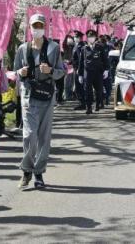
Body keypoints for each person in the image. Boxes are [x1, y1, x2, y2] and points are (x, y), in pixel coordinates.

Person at [13, 14, 65, 189]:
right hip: (29, 95)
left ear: (44, 28)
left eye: (40, 26)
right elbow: (15, 72)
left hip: (47, 96)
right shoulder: (22, 48)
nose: (37, 29)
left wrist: (50, 70)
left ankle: (39, 173)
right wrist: (21, 72)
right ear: (29, 27)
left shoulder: (53, 48)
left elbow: (61, 71)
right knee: (29, 135)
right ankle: (26, 169)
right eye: (34, 26)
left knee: (44, 136)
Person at [77, 30, 110, 113]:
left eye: (92, 37)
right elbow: (81, 62)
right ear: (87, 38)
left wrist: (106, 70)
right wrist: (80, 74)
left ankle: (98, 103)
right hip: (87, 72)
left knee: (98, 90)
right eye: (89, 37)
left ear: (95, 37)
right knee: (87, 90)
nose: (91, 38)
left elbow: (105, 59)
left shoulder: (100, 47)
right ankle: (89, 107)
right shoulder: (84, 48)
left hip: (98, 72)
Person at [71, 31, 87, 111]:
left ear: (79, 38)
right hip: (76, 68)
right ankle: (82, 102)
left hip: (79, 69)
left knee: (79, 87)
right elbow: (75, 58)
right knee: (78, 86)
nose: (74, 38)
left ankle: (82, 103)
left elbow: (81, 60)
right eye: (74, 36)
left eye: (76, 37)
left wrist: (78, 70)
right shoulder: (76, 45)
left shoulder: (80, 46)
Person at [61, 34, 76, 102]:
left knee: (71, 82)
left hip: (71, 66)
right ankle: (67, 96)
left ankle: (69, 95)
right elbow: (64, 43)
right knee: (67, 81)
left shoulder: (73, 48)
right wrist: (66, 35)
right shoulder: (65, 47)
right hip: (66, 65)